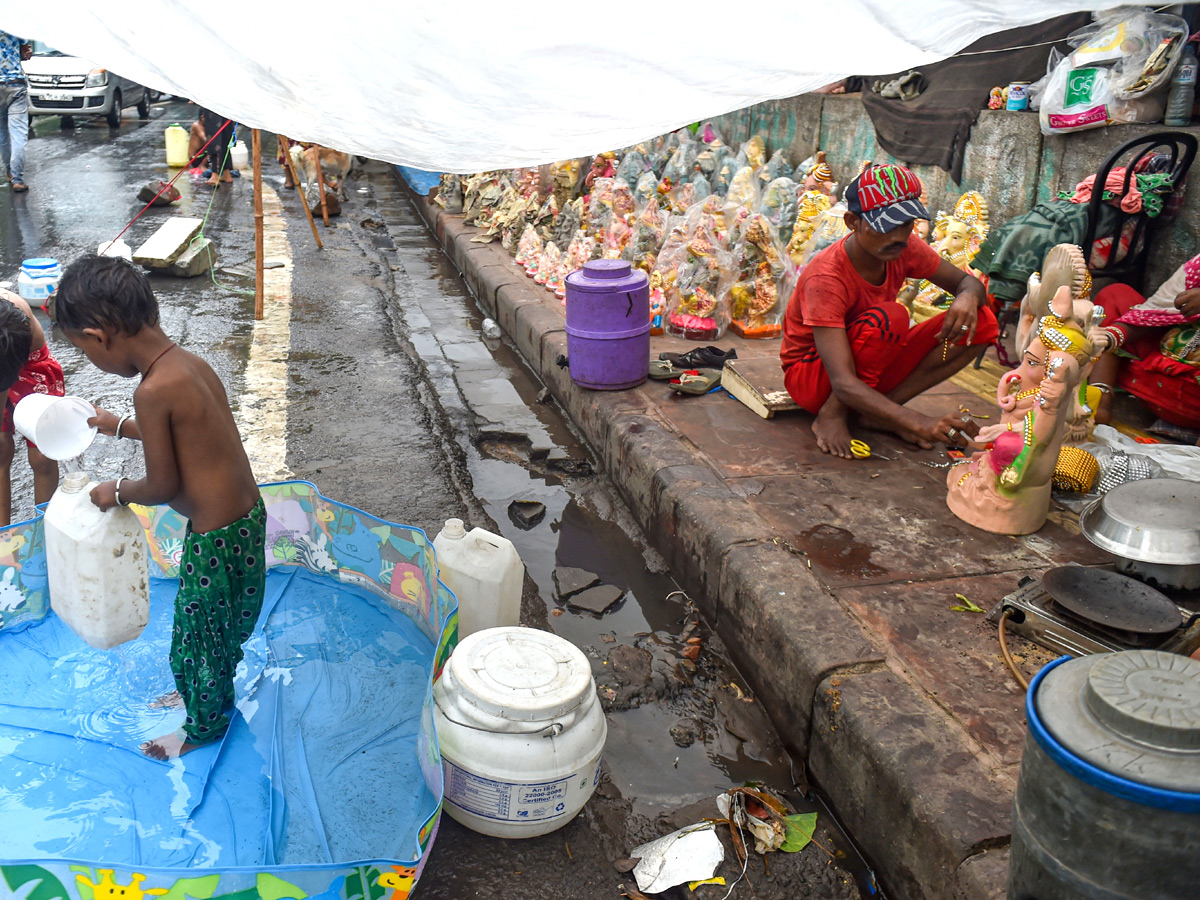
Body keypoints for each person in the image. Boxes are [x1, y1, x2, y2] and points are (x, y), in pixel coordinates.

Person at [53, 256, 264, 759]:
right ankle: (204, 695)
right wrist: (116, 425)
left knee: (194, 639)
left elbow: (166, 482)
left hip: (212, 541)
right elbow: (187, 434)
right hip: (246, 524)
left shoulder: (151, 390)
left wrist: (117, 490)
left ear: (98, 335)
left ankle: (201, 728)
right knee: (222, 628)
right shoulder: (188, 365)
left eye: (83, 351)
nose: (91, 360)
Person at [780, 163, 999, 458]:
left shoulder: (905, 246)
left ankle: (877, 414)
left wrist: (967, 295)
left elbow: (967, 283)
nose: (897, 236)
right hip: (813, 377)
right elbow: (843, 381)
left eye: (906, 225)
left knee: (982, 321)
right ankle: (832, 414)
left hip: (870, 356)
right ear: (852, 222)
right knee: (892, 318)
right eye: (885, 226)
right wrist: (920, 423)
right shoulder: (826, 276)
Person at [1090, 256, 1200, 436]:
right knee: (1116, 295)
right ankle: (1099, 403)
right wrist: (1111, 336)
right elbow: (1153, 313)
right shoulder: (1197, 268)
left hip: (1193, 397)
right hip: (1154, 374)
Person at [0, 288, 62, 525]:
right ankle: (3, 537)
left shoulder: (18, 319)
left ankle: (46, 527)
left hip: (30, 361)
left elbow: (5, 378)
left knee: (43, 450)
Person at [0, 31, 31, 193]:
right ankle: (18, 179)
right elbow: (25, 52)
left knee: (2, 133)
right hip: (15, 84)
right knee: (18, 133)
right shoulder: (14, 24)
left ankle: (9, 172)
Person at [198, 107, 234, 186]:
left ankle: (215, 175)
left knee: (215, 139)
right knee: (224, 137)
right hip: (227, 104)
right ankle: (226, 173)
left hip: (213, 104)